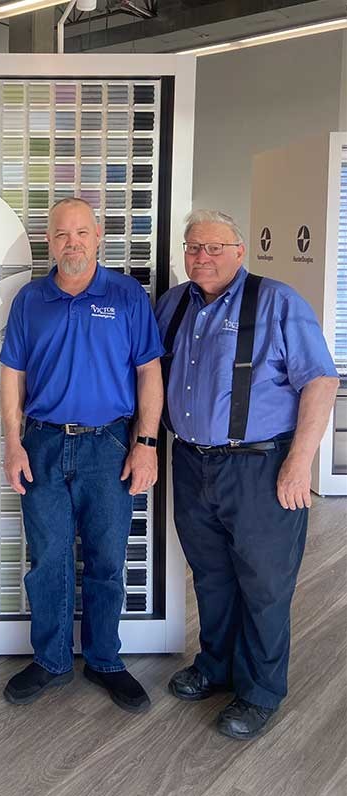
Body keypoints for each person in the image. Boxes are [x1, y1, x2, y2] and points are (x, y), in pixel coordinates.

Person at [156, 209, 339, 740]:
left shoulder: (278, 302)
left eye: (214, 247)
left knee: (264, 584)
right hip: (191, 463)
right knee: (211, 578)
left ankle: (260, 692)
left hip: (263, 466)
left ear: (240, 251)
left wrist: (299, 463)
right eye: (193, 248)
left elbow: (321, 383)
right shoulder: (172, 305)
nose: (202, 257)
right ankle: (216, 666)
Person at [0, 197, 164, 712]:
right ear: (50, 242)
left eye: (81, 233)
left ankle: (104, 659)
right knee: (46, 560)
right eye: (61, 235)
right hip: (43, 442)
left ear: (99, 237)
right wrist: (11, 442)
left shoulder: (127, 296)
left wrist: (147, 443)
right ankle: (50, 660)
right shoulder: (30, 300)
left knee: (107, 559)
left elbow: (148, 373)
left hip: (110, 444)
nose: (72, 243)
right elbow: (11, 376)